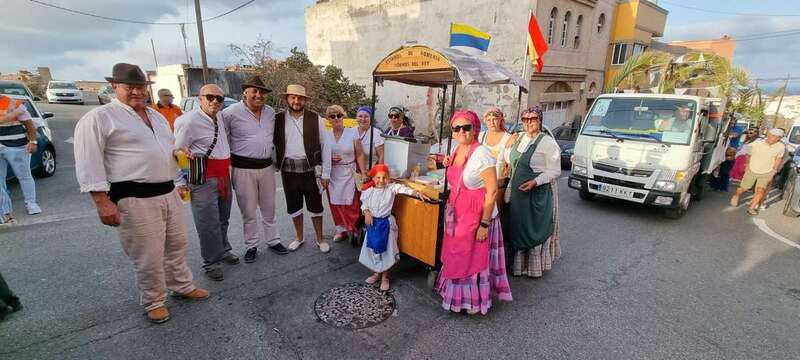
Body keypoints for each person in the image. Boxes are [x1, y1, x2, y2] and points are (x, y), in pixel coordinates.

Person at [74, 63, 208, 324]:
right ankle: (154, 300)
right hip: (134, 196)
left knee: (176, 245)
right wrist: (102, 201)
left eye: (141, 87)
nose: (136, 92)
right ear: (115, 87)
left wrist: (179, 172)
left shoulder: (156, 116)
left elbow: (166, 151)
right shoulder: (100, 117)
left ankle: (181, 285)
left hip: (167, 190)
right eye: (129, 87)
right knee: (148, 253)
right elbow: (88, 161)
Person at [437, 110, 512, 315]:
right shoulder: (456, 150)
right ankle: (454, 294)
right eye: (457, 128)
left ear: (475, 128)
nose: (462, 131)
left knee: (470, 257)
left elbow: (492, 190)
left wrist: (484, 224)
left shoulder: (482, 153)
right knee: (455, 252)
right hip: (457, 212)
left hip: (477, 215)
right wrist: (447, 163)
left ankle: (472, 301)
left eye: (466, 127)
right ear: (452, 131)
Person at [174, 84, 239, 281]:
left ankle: (223, 249)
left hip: (223, 175)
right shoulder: (188, 121)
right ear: (199, 98)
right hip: (202, 177)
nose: (214, 101)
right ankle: (211, 262)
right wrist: (179, 181)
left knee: (223, 217)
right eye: (210, 97)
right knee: (207, 222)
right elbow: (176, 152)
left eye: (219, 98)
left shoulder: (220, 116)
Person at [222, 76, 289, 263]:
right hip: (242, 168)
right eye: (255, 91)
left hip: (266, 167)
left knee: (269, 208)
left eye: (262, 92)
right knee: (249, 211)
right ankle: (251, 245)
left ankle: (273, 240)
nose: (259, 95)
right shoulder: (230, 113)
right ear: (245, 92)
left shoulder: (270, 112)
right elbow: (221, 138)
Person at [502, 106, 562, 278]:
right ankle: (518, 265)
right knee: (517, 227)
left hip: (536, 193)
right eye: (525, 120)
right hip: (517, 194)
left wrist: (535, 182)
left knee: (532, 229)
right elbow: (510, 159)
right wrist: (507, 145)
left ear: (540, 120)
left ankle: (533, 267)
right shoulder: (519, 138)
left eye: (533, 119)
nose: (529, 123)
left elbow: (555, 171)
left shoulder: (548, 143)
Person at [274, 84, 332, 253]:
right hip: (288, 170)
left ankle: (320, 239)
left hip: (311, 170)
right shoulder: (277, 119)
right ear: (287, 99)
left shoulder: (316, 119)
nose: (296, 101)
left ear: (305, 100)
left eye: (300, 98)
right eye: (293, 97)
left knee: (316, 206)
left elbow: (326, 145)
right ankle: (299, 238)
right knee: (294, 206)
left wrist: (326, 173)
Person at [359, 164, 427, 291]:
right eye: (378, 177)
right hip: (373, 226)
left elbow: (404, 189)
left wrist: (416, 193)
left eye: (384, 178)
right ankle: (376, 273)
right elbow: (364, 205)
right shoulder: (369, 191)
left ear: (388, 178)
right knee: (374, 250)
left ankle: (385, 277)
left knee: (386, 251)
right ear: (373, 178)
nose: (381, 180)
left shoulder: (391, 189)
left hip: (386, 225)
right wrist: (366, 212)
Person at [325, 105, 367, 243]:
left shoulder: (352, 133)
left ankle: (354, 229)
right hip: (333, 174)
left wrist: (363, 172)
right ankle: (341, 230)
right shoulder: (326, 135)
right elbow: (321, 155)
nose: (336, 118)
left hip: (349, 172)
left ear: (343, 116)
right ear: (328, 119)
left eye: (339, 115)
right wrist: (329, 158)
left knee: (352, 204)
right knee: (336, 204)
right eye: (332, 116)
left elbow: (360, 154)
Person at [0, 94, 42, 217]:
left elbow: (29, 124)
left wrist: (33, 142)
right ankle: (4, 208)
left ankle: (31, 203)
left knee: (24, 176)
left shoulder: (13, 104)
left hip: (16, 146)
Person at [730, 128, 786, 215]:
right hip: (752, 169)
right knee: (744, 188)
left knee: (761, 190)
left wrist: (774, 170)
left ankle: (751, 208)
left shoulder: (781, 147)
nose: (775, 138)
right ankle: (737, 195)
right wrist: (747, 164)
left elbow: (779, 158)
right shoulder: (757, 143)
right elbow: (748, 153)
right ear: (768, 135)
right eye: (773, 136)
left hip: (767, 171)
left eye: (778, 137)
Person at [479, 107, 513, 209]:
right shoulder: (481, 136)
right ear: (485, 121)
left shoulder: (508, 138)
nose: (492, 122)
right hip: (481, 185)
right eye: (489, 120)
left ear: (500, 119)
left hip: (499, 186)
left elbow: (510, 164)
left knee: (496, 218)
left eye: (495, 119)